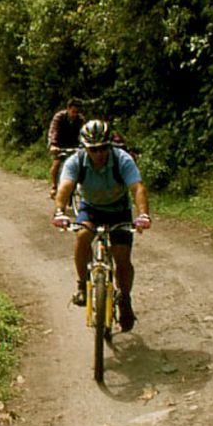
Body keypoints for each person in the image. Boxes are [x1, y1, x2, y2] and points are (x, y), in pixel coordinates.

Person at [51, 119, 151, 332]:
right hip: (92, 209)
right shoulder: (76, 161)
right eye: (93, 149)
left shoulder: (121, 160)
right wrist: (59, 211)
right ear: (85, 148)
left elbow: (137, 188)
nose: (98, 153)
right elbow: (65, 187)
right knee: (82, 236)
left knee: (122, 256)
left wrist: (143, 214)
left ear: (110, 145)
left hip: (119, 211)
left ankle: (124, 298)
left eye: (103, 148)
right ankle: (82, 285)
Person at [47, 99, 85, 199]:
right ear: (68, 109)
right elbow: (53, 131)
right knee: (57, 163)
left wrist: (84, 145)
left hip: (74, 144)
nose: (75, 114)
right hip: (59, 143)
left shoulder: (80, 120)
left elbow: (84, 134)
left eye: (77, 112)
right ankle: (54, 186)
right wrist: (53, 145)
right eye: (73, 111)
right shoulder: (59, 117)